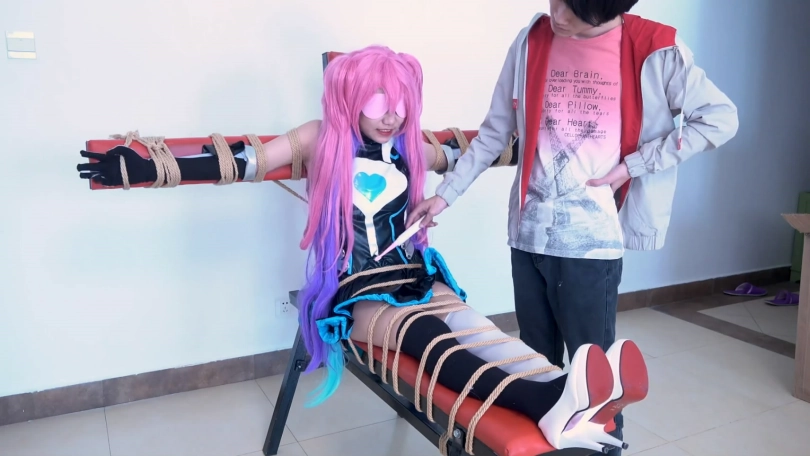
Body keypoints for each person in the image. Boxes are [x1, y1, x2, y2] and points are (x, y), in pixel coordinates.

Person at [76, 45, 649, 453]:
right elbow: (243, 160)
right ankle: (549, 399)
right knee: (426, 335)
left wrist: (544, 139)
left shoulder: (408, 144)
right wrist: (150, 166)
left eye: (399, 102)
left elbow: (471, 152)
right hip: (353, 292)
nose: (391, 114)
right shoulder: (320, 138)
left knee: (475, 327)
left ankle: (567, 392)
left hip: (414, 276)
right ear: (350, 96)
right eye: (377, 100)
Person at [406, 1, 739, 453]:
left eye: (575, 8)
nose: (558, 15)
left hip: (591, 247)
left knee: (595, 378)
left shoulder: (655, 49)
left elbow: (719, 118)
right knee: (534, 369)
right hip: (528, 237)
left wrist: (635, 165)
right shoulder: (531, 41)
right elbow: (493, 134)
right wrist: (445, 195)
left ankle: (606, 448)